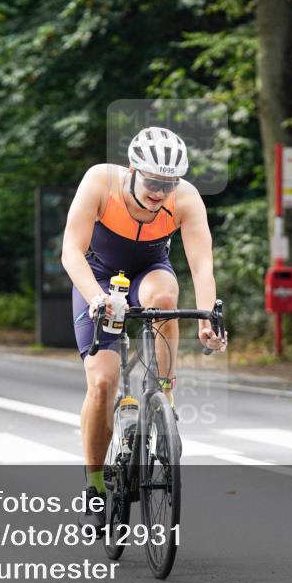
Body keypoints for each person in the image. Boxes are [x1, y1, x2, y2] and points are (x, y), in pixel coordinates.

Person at [61, 127, 227, 534]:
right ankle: (95, 485)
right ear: (132, 170)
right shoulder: (100, 181)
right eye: (152, 182)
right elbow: (71, 251)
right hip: (99, 279)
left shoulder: (185, 198)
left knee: (165, 297)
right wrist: (96, 297)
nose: (159, 192)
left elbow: (201, 264)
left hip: (150, 272)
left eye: (168, 185)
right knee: (103, 383)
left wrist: (207, 317)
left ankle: (164, 395)